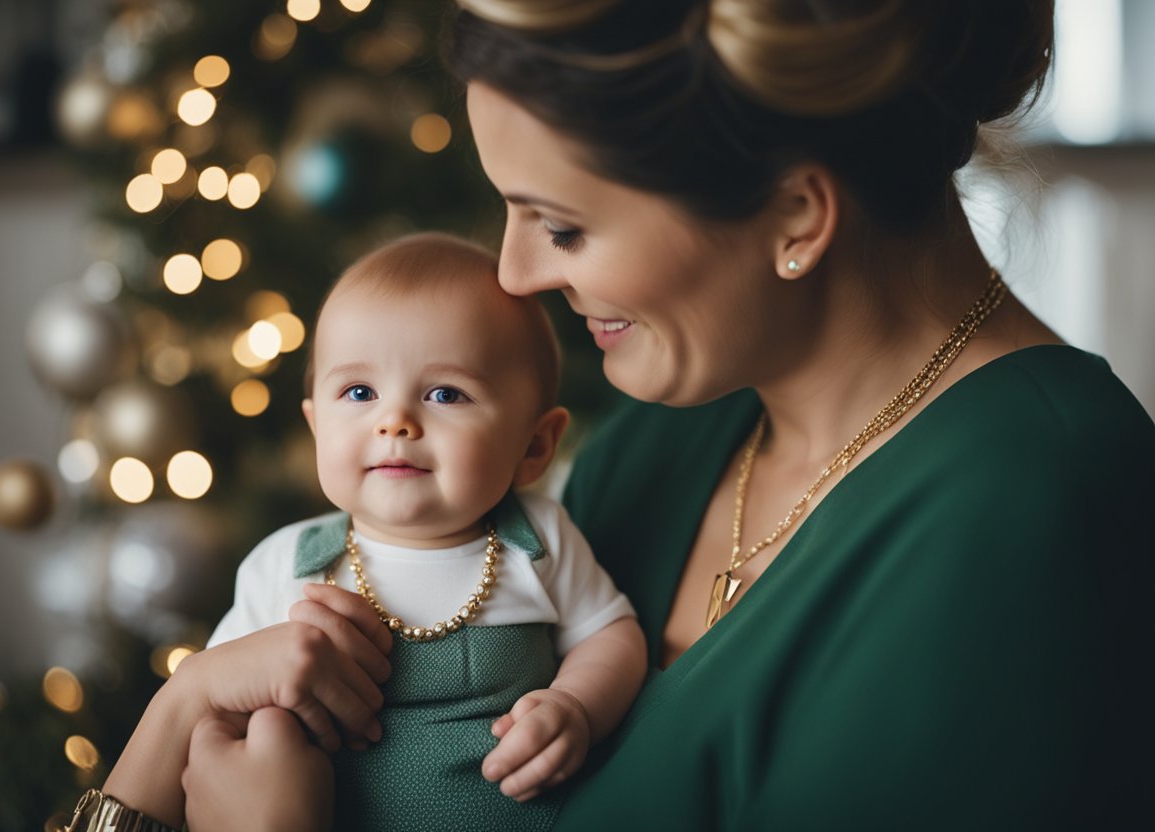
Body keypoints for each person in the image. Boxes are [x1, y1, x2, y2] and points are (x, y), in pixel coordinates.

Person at [74, 0, 1155, 829]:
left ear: (794, 213)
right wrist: (178, 714)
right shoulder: (660, 446)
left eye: (563, 225)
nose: (513, 271)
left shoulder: (1040, 507)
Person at [65, 233, 645, 831]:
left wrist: (575, 706)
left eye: (446, 393)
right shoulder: (289, 565)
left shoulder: (540, 540)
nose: (394, 421)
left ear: (535, 445)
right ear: (317, 426)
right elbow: (216, 722)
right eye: (359, 392)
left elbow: (612, 636)